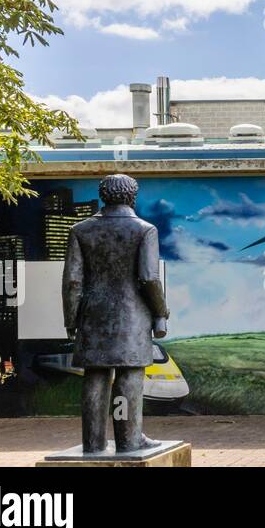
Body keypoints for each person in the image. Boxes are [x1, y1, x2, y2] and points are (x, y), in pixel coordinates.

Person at [62, 174, 169, 453]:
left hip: (92, 315)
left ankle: (93, 442)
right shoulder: (145, 230)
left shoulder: (80, 230)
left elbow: (73, 280)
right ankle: (129, 440)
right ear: (132, 197)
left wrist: (71, 319)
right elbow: (149, 278)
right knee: (130, 374)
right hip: (132, 316)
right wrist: (161, 312)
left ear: (103, 196)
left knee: (95, 375)